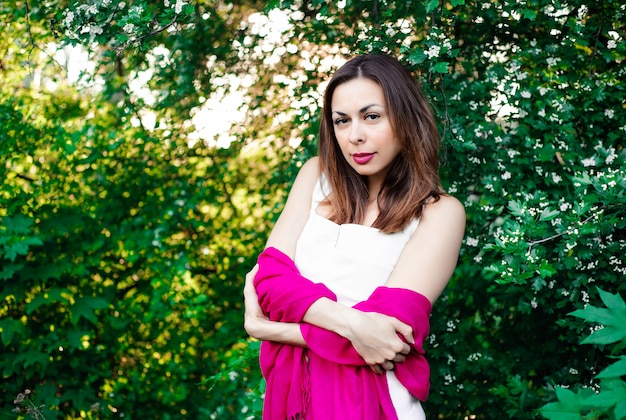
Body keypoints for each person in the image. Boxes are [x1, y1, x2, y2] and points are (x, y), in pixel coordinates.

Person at [243, 53, 466, 420]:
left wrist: (269, 329)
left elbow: (389, 341)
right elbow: (269, 281)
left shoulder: (439, 213)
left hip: (378, 405)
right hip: (292, 401)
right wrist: (356, 324)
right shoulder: (315, 177)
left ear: (405, 117)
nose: (355, 136)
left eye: (372, 116)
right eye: (341, 121)